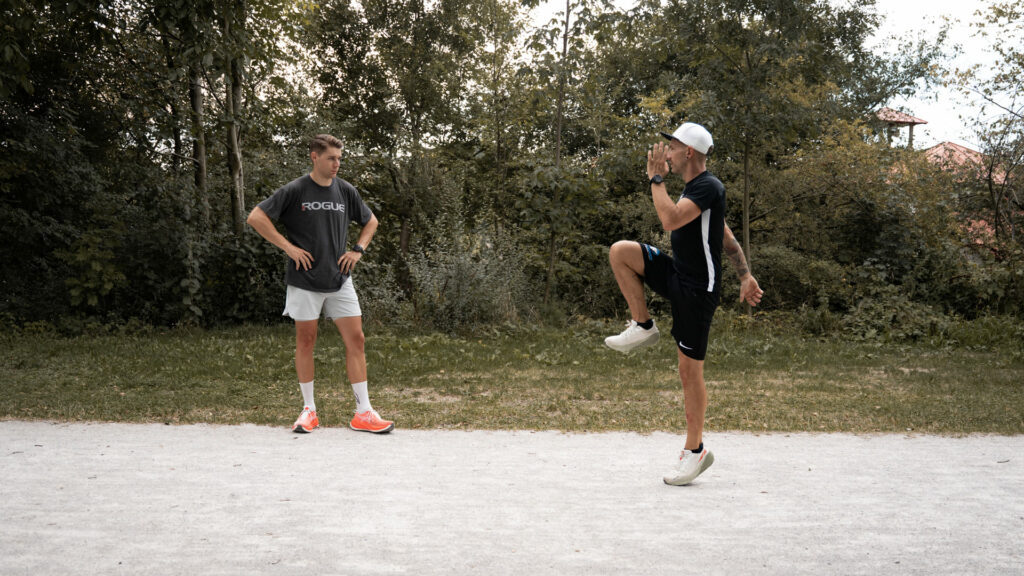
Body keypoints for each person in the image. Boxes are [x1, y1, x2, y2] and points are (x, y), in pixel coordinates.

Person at [605, 122, 763, 485]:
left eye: (672, 148)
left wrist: (656, 180)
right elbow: (723, 233)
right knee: (621, 253)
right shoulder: (696, 190)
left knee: (688, 372)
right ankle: (643, 324)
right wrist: (744, 274)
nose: (667, 155)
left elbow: (670, 219)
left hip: (698, 290)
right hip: (679, 273)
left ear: (689, 152)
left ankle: (696, 452)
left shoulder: (708, 185)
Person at [247, 133, 394, 434]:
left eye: (340, 158)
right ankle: (309, 411)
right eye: (331, 158)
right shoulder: (296, 189)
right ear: (315, 157)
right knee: (306, 342)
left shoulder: (346, 191)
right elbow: (256, 217)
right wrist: (288, 248)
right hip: (304, 280)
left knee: (357, 341)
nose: (337, 163)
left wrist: (358, 250)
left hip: (340, 280)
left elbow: (371, 221)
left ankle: (363, 412)